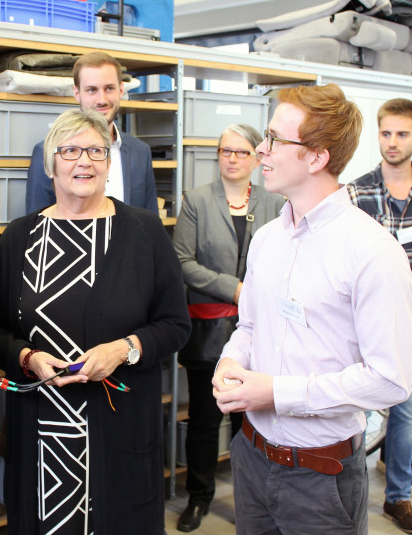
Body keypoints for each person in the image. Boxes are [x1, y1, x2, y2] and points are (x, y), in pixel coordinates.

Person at [212, 84, 412, 534]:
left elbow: (390, 380)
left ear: (317, 158)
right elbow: (250, 325)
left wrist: (277, 393)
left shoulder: (372, 251)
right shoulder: (267, 239)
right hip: (250, 456)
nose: (260, 150)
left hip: (320, 478)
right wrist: (231, 359)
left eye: (275, 140)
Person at [0, 108, 191, 534]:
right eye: (71, 150)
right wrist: (27, 357)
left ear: (109, 163)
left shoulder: (145, 233)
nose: (85, 161)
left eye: (96, 151)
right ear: (51, 163)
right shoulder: (19, 238)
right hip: (41, 432)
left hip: (120, 427)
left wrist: (123, 349)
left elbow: (175, 324)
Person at [172, 124, 285, 532]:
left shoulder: (276, 202)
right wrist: (235, 289)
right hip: (210, 332)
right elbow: (183, 262)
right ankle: (198, 498)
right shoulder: (197, 201)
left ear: (257, 156)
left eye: (241, 152)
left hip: (265, 331)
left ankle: (251, 500)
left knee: (252, 425)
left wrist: (255, 294)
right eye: (225, 151)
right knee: (204, 420)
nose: (233, 158)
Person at [347, 97, 412, 533]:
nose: (392, 142)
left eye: (403, 134)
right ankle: (349, 488)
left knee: (406, 410)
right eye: (386, 133)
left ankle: (399, 497)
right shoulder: (356, 191)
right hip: (365, 319)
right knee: (356, 407)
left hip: (411, 320)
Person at [25, 51, 158, 214]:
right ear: (77, 93)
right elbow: (38, 223)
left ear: (121, 89)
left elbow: (150, 221)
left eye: (109, 88)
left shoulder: (140, 151)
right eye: (92, 90)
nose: (101, 99)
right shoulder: (47, 150)